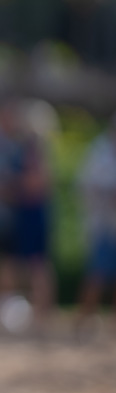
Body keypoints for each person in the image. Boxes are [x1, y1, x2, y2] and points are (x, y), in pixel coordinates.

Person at [75, 112, 116, 337]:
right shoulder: (99, 152)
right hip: (102, 224)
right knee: (97, 274)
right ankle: (84, 319)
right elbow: (86, 186)